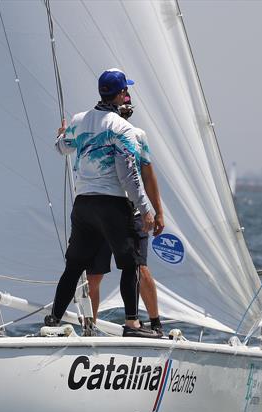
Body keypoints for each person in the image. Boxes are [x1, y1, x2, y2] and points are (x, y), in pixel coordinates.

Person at [44, 68, 159, 338]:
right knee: (130, 264)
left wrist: (62, 134)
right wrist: (146, 210)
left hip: (83, 205)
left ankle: (53, 321)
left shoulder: (79, 119)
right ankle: (132, 325)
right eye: (125, 91)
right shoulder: (123, 128)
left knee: (73, 266)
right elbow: (129, 176)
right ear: (121, 94)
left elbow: (62, 148)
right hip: (112, 205)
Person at [86, 99, 166, 335]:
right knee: (94, 275)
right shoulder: (96, 131)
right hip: (103, 214)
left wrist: (158, 211)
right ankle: (89, 327)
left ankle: (155, 323)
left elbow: (148, 175)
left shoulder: (138, 135)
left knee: (140, 268)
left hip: (131, 214)